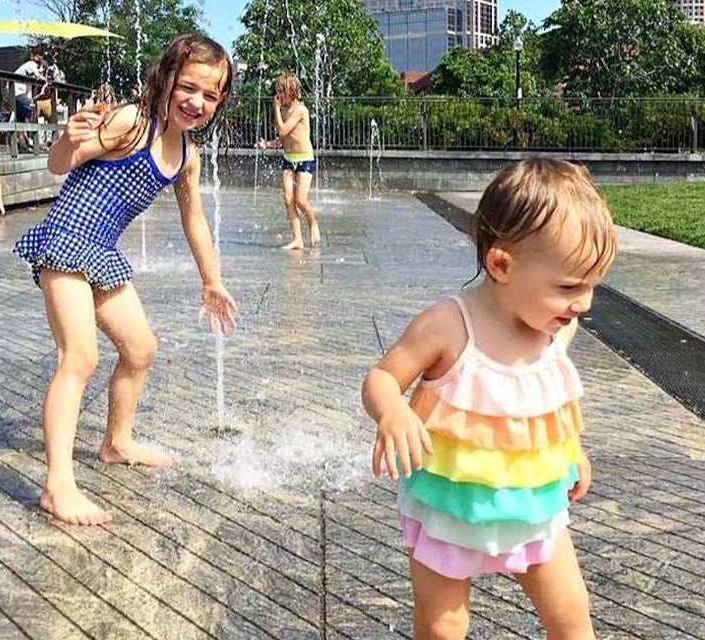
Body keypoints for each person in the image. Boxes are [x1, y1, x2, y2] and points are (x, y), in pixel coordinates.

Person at [362, 158, 618, 640]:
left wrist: (570, 452)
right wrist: (393, 410)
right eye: (569, 287)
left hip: (536, 506)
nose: (583, 303)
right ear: (501, 265)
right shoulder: (448, 326)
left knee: (572, 618)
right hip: (452, 509)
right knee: (443, 627)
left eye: (592, 286)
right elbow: (380, 379)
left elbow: (546, 402)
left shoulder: (553, 327)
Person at [13, 34, 238, 526]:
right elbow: (60, 166)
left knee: (140, 349)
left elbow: (194, 220)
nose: (196, 102)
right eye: (189, 87)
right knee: (80, 355)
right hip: (66, 241)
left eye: (210, 95)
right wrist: (67, 140)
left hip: (102, 253)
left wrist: (211, 280)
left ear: (220, 101)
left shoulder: (186, 157)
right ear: (167, 78)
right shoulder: (132, 123)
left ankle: (117, 442)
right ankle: (58, 486)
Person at [256, 72, 320, 250]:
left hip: (304, 159)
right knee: (288, 198)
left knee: (300, 199)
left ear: (291, 91)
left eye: (281, 92)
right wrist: (268, 144)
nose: (278, 96)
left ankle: (313, 223)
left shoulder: (301, 110)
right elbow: (284, 138)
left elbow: (283, 130)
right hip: (288, 159)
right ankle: (297, 239)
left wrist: (275, 109)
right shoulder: (283, 111)